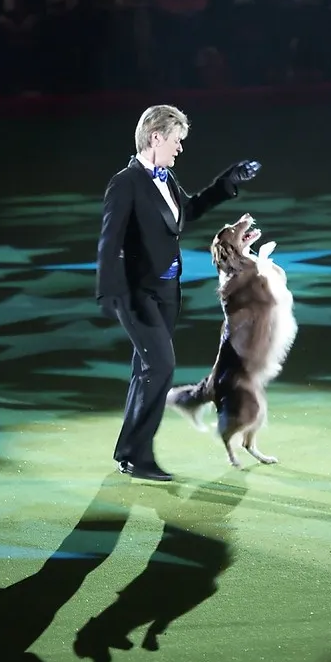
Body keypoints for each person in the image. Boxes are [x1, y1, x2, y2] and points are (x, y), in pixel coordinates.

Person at [96, 104, 261, 481]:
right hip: (137, 293)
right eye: (176, 141)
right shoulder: (126, 183)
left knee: (145, 370)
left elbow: (187, 211)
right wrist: (109, 292)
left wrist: (226, 182)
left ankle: (127, 450)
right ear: (156, 137)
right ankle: (140, 457)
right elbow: (109, 241)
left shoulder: (166, 180)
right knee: (161, 367)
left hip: (167, 292)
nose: (180, 149)